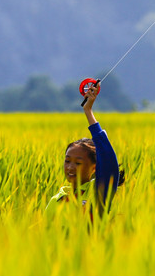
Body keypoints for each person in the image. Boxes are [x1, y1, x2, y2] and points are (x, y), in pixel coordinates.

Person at [46, 83, 123, 219]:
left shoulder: (98, 192)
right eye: (68, 161)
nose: (70, 167)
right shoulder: (56, 200)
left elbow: (107, 159)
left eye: (78, 163)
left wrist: (88, 111)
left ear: (94, 167)